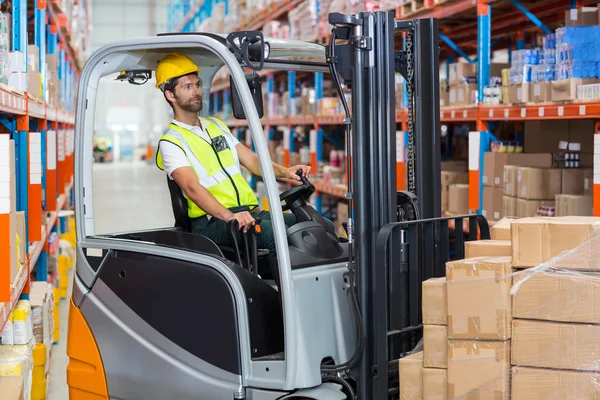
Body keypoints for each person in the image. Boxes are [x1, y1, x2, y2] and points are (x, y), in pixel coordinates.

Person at [154, 52, 316, 263]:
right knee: (278, 236)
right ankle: (286, 296)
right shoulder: (172, 141)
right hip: (213, 221)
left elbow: (253, 162)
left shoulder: (217, 126)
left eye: (196, 84)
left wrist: (286, 172)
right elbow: (192, 188)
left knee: (312, 225)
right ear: (170, 95)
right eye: (187, 87)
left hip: (246, 212)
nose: (196, 91)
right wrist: (230, 217)